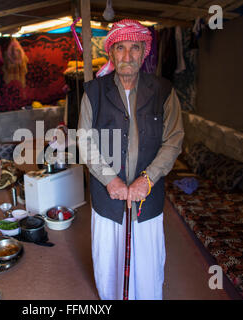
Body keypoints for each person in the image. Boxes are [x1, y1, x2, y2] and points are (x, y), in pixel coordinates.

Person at [77, 19, 184, 300]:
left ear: (144, 51)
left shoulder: (163, 90)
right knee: (109, 261)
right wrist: (109, 179)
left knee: (147, 263)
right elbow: (85, 141)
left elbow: (173, 140)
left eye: (134, 48)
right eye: (120, 48)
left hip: (147, 196)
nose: (127, 56)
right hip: (107, 196)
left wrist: (147, 179)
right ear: (110, 52)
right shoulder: (93, 92)